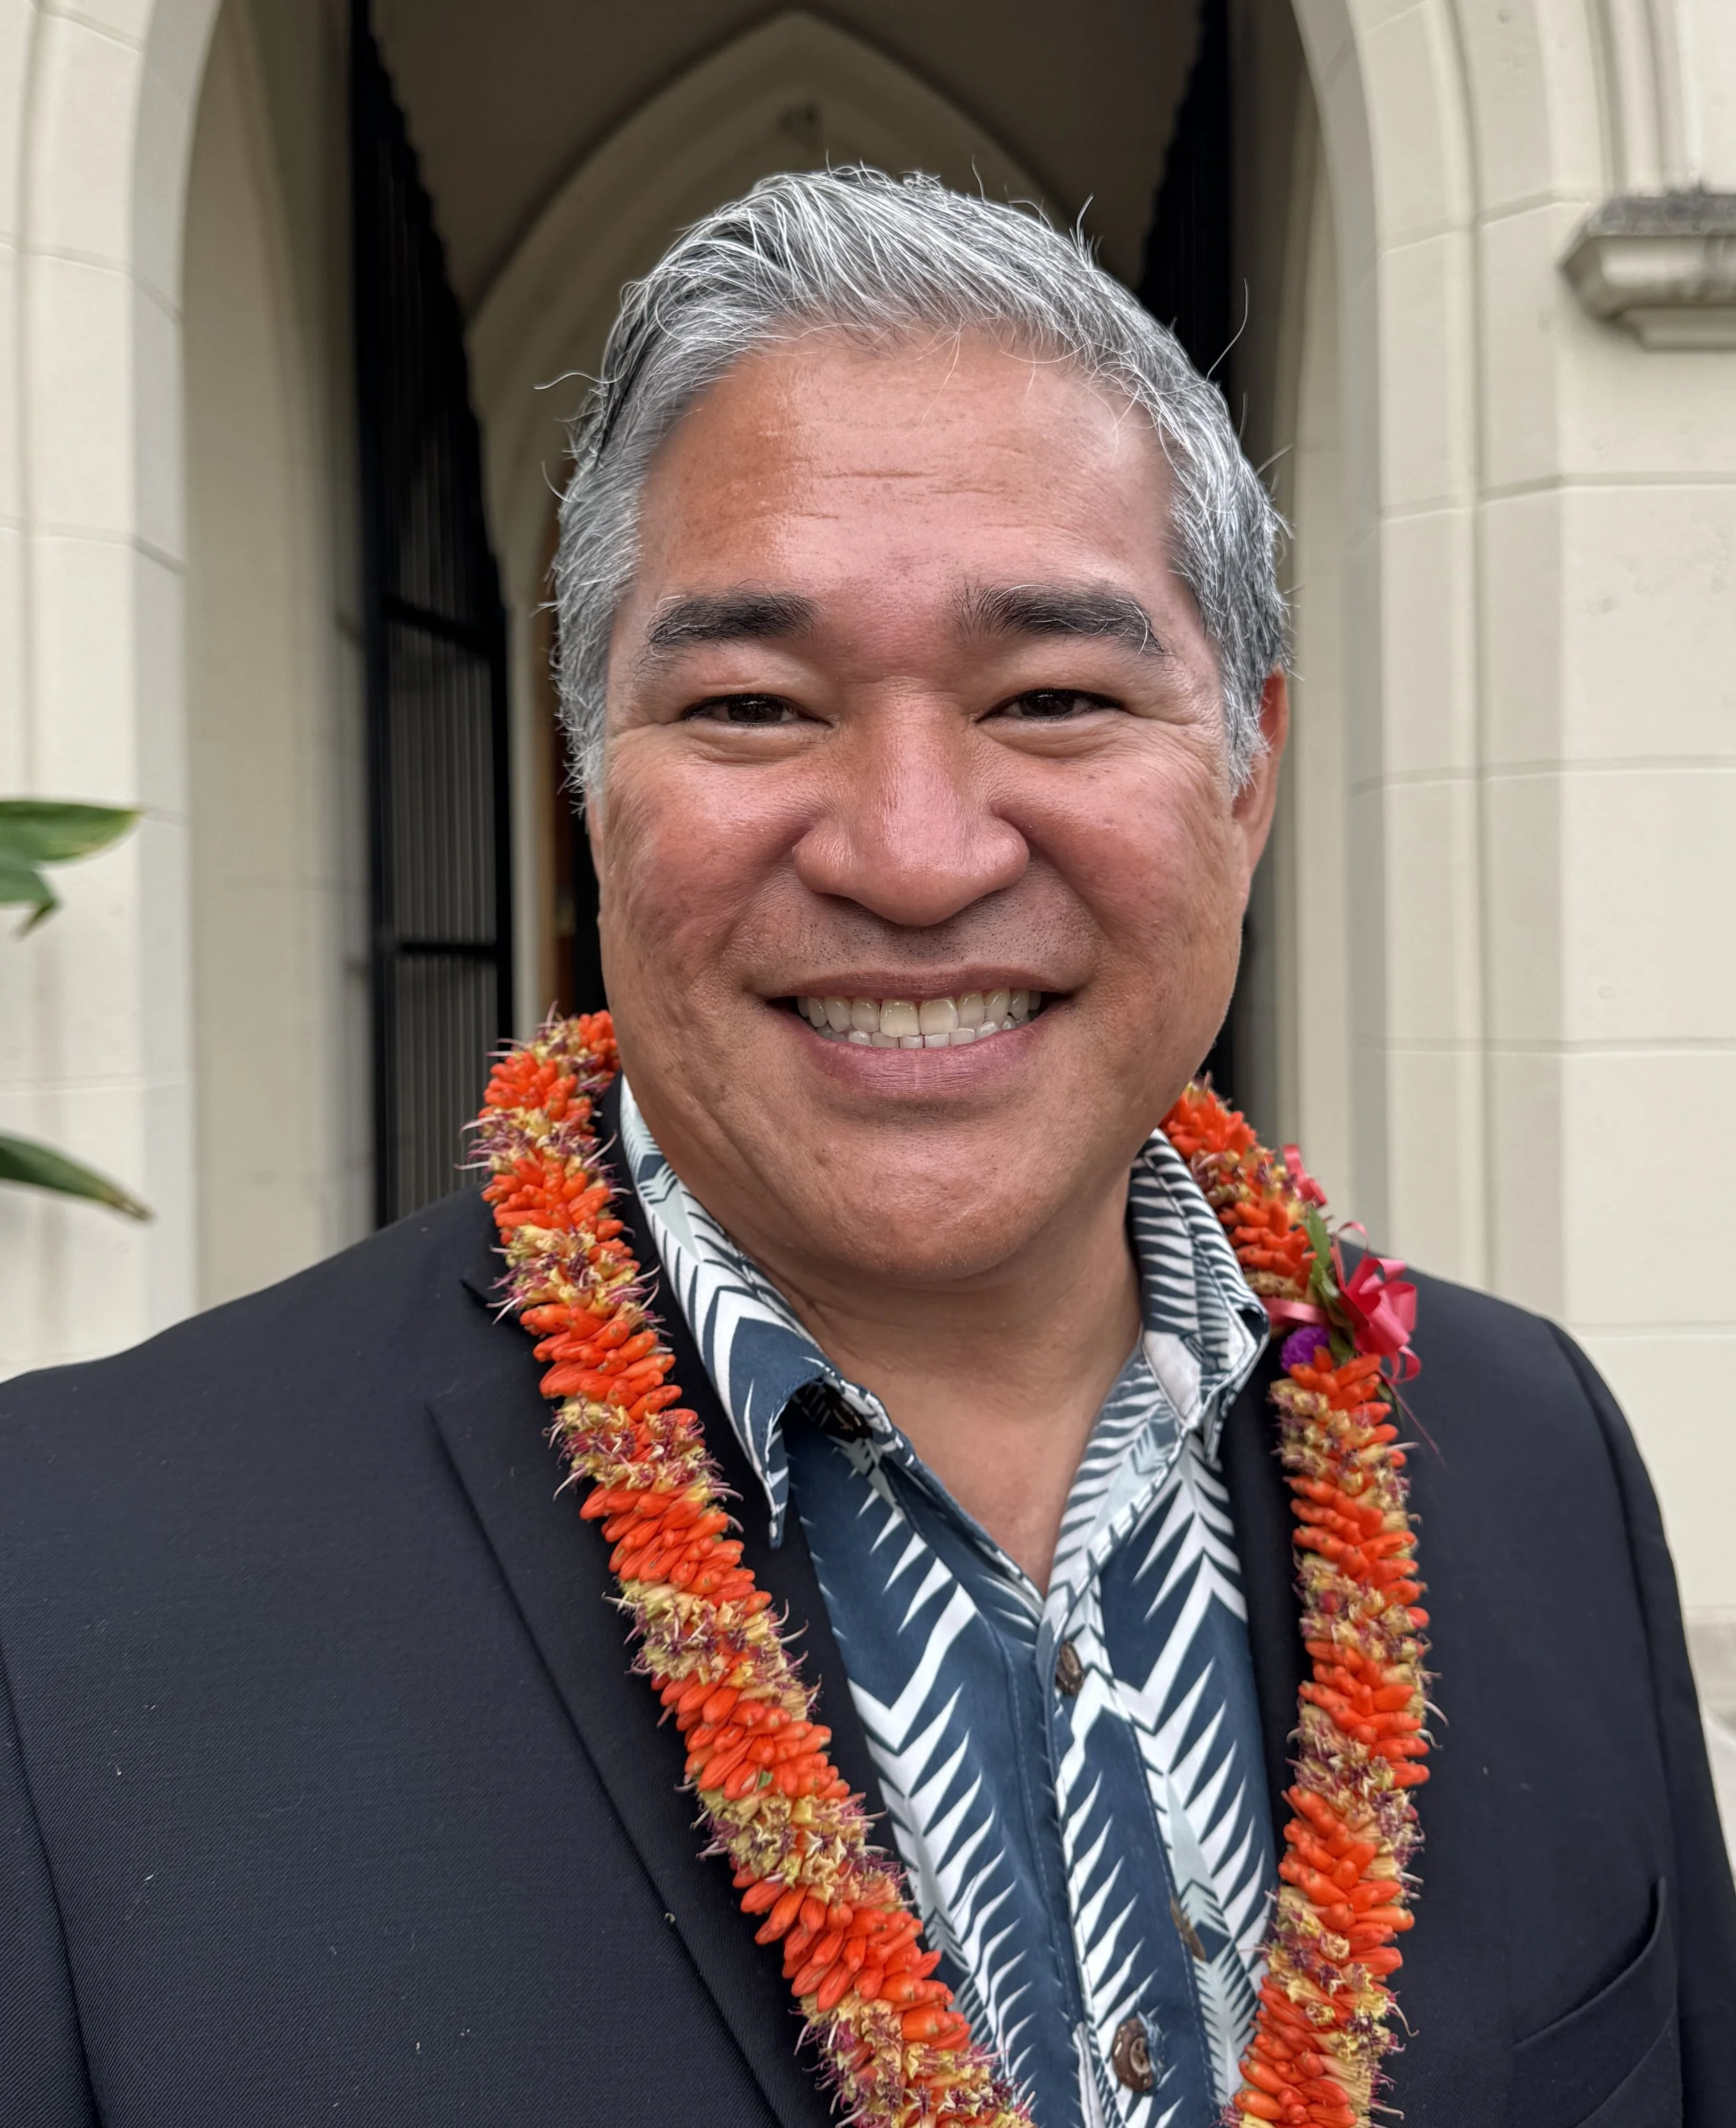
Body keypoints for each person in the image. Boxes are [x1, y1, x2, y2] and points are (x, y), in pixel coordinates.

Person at [2, 169, 1730, 2128]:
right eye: (750, 705)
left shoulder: (1524, 1456)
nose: (913, 854)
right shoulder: (68, 1598)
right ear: (594, 797)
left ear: (1244, 779)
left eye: (1056, 697)